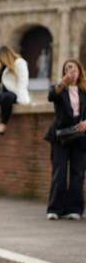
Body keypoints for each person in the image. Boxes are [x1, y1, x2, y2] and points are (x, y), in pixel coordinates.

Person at [44, 59, 86, 220]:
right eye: (67, 69)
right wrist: (63, 82)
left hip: (80, 135)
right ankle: (55, 208)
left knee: (78, 173)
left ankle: (74, 209)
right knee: (59, 172)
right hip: (60, 135)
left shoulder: (84, 90)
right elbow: (51, 96)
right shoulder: (60, 88)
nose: (71, 72)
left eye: (74, 68)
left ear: (80, 71)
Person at [0, 45, 30, 136]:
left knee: (6, 97)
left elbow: (23, 81)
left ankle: (3, 124)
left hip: (13, 93)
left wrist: (20, 99)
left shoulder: (19, 63)